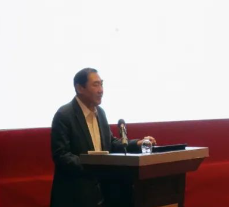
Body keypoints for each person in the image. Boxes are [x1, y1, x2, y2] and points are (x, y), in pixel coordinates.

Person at [50, 67, 156, 207]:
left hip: (103, 192)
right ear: (80, 88)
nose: (101, 90)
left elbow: (110, 143)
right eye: (95, 85)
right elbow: (61, 155)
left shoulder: (100, 113)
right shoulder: (64, 115)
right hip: (75, 194)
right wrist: (93, 166)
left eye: (101, 84)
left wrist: (137, 144)